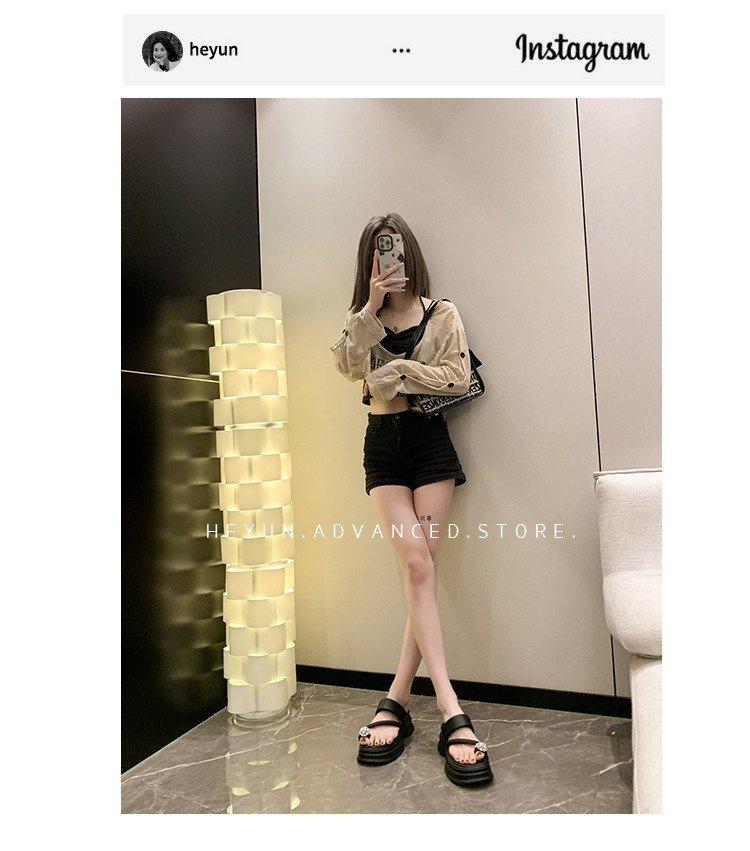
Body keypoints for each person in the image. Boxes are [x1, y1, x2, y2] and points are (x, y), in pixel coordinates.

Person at [329, 213, 493, 787]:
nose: (388, 261)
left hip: (429, 447)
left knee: (420, 570)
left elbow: (455, 377)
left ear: (410, 254)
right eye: (378, 253)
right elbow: (347, 368)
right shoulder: (362, 319)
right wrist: (369, 309)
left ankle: (397, 702)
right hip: (383, 449)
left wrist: (396, 370)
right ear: (368, 261)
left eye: (395, 251)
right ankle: (450, 709)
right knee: (418, 565)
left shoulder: (440, 313)